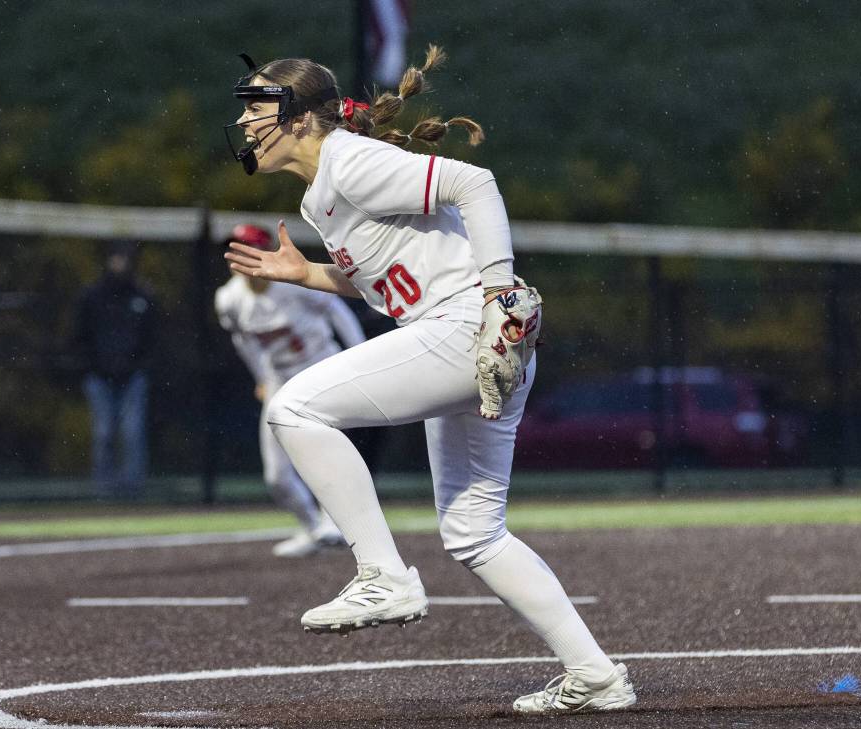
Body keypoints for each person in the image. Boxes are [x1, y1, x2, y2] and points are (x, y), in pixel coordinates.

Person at [222, 46, 636, 714]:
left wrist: (499, 293)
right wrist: (310, 276)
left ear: (299, 116)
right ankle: (596, 674)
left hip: (468, 325)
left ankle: (383, 574)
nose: (245, 123)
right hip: (467, 332)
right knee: (475, 532)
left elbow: (477, 184)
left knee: (295, 407)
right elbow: (389, 281)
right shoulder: (319, 192)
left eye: (258, 107)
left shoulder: (350, 160)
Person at [215, 222, 366, 557]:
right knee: (276, 477)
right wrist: (261, 379)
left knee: (328, 453)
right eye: (235, 247)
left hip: (321, 370)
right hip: (281, 381)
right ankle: (315, 530)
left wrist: (358, 354)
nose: (239, 255)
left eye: (247, 246)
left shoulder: (293, 282)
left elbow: (337, 311)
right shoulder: (229, 299)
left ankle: (336, 522)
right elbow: (244, 342)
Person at [73, 240, 158, 499]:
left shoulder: (142, 295)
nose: (120, 263)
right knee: (104, 432)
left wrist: (140, 366)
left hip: (133, 376)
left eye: (125, 258)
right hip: (99, 377)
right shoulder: (92, 296)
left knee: (132, 432)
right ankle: (104, 492)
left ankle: (133, 491)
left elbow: (153, 338)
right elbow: (79, 336)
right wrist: (91, 366)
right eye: (116, 257)